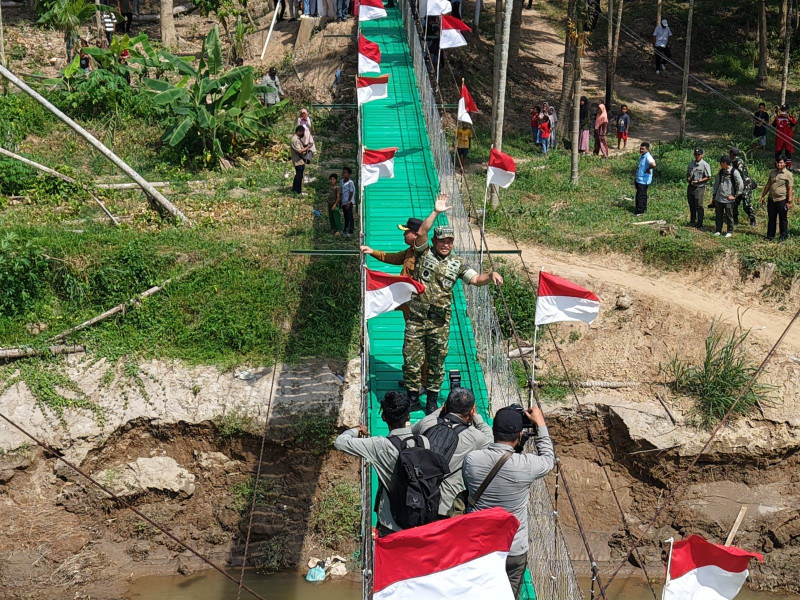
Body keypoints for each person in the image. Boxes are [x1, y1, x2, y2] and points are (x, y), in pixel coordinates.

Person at [403, 195, 503, 415]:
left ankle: (431, 400)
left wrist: (490, 275)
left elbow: (475, 280)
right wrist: (436, 212)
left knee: (437, 360)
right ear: (436, 242)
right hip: (418, 318)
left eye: (450, 241)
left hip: (439, 321)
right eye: (442, 241)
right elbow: (421, 233)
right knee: (411, 358)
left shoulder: (457, 263)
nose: (446, 245)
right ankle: (411, 398)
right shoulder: (423, 253)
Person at [463, 405, 554, 599]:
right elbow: (548, 459)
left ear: (493, 430)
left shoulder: (472, 459)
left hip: (480, 544)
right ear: (520, 434)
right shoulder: (526, 465)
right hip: (513, 547)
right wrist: (541, 426)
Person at [334, 391, 424, 535]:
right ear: (408, 416)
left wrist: (357, 430)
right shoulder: (422, 440)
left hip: (392, 522)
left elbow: (340, 443)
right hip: (421, 519)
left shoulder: (379, 445)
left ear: (383, 417)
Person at [411, 387, 492, 517]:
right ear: (471, 411)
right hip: (447, 506)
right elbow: (490, 439)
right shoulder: (474, 437)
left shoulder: (428, 422)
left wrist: (441, 410)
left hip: (418, 498)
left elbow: (413, 431)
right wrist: (477, 418)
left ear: (446, 406)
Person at [760, 155, 793, 242]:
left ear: (785, 163)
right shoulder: (772, 172)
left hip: (781, 200)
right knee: (771, 218)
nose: (779, 164)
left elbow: (790, 189)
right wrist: (763, 195)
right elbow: (768, 184)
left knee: (783, 219)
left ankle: (783, 236)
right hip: (771, 199)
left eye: (781, 162)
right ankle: (770, 236)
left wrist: (789, 201)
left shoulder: (788, 175)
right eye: (777, 162)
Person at [711, 155, 743, 238]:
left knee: (729, 215)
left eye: (721, 162)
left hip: (728, 198)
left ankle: (730, 231)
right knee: (718, 215)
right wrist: (714, 195)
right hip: (719, 197)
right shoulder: (721, 171)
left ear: (725, 163)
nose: (720, 164)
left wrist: (735, 196)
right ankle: (718, 230)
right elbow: (716, 183)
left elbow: (740, 183)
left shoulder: (734, 172)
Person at [729, 146, 756, 227]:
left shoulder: (738, 161)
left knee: (747, 204)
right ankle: (735, 219)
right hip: (737, 185)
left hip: (745, 186)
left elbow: (740, 174)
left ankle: (752, 219)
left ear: (731, 154)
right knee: (734, 203)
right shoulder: (733, 161)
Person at [686, 148, 711, 229]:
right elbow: (688, 173)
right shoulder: (691, 164)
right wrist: (688, 178)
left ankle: (700, 223)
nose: (697, 156)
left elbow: (708, 176)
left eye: (698, 155)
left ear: (702, 155)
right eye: (695, 154)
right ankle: (692, 220)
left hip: (699, 187)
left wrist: (699, 181)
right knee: (691, 204)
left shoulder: (705, 165)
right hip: (691, 186)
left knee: (699, 205)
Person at [634, 142, 656, 216]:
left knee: (640, 196)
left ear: (647, 149)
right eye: (640, 148)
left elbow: (653, 164)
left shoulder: (648, 156)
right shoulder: (642, 156)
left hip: (644, 180)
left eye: (643, 149)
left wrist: (648, 169)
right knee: (641, 195)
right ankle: (643, 208)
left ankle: (639, 211)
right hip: (639, 179)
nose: (641, 150)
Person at [290, 126, 311, 194]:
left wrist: (305, 146)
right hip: (298, 161)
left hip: (300, 161)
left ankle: (295, 190)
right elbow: (299, 151)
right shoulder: (294, 140)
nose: (303, 134)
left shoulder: (297, 139)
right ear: (299, 131)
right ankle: (297, 191)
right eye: (302, 132)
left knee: (299, 176)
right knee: (299, 177)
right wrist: (307, 148)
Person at [340, 167, 355, 235]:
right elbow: (341, 192)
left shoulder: (350, 182)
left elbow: (351, 192)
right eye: (343, 172)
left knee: (349, 215)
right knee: (345, 215)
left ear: (349, 174)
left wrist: (348, 202)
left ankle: (350, 230)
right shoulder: (341, 181)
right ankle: (345, 229)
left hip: (348, 201)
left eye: (345, 173)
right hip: (343, 201)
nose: (343, 174)